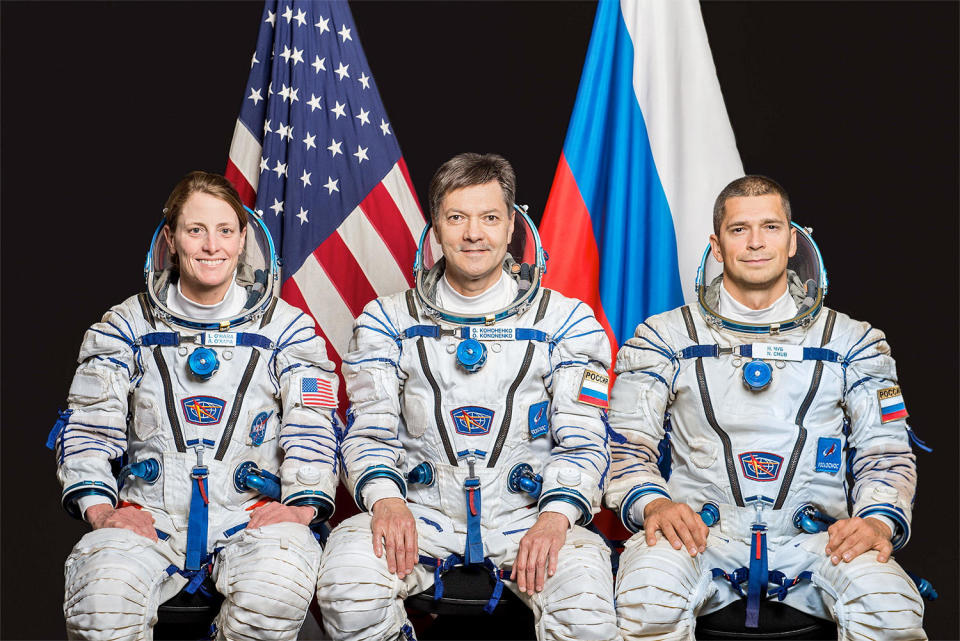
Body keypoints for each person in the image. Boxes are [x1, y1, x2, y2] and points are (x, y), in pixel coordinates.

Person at [604, 175, 926, 640]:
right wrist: (654, 504)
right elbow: (625, 447)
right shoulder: (664, 339)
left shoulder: (853, 342)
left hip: (818, 541)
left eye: (771, 227)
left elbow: (886, 453)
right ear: (716, 246)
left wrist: (877, 520)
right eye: (739, 230)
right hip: (698, 536)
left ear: (793, 240)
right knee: (647, 599)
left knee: (891, 613)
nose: (756, 242)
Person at [316, 153, 619, 641]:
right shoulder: (387, 320)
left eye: (489, 218)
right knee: (347, 590)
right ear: (436, 229)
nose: (473, 234)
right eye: (457, 218)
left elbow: (584, 439)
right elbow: (367, 431)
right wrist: (386, 501)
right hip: (419, 512)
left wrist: (557, 515)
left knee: (586, 612)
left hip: (529, 515)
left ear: (512, 227)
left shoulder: (566, 321)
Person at [49, 171, 339, 641]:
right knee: (101, 604)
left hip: (249, 516)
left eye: (225, 230)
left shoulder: (288, 331)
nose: (211, 246)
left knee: (276, 592)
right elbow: (87, 430)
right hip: (152, 516)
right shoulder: (123, 328)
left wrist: (302, 507)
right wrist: (101, 510)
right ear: (171, 238)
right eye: (195, 230)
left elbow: (314, 428)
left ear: (243, 239)